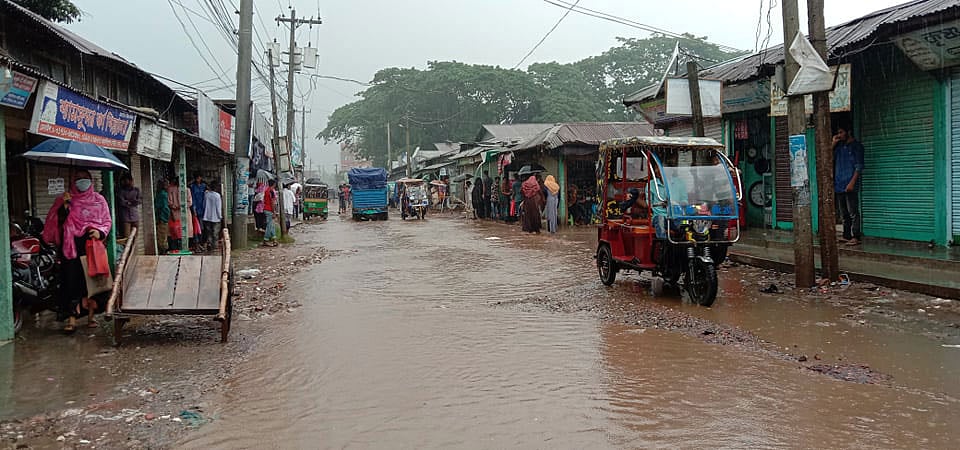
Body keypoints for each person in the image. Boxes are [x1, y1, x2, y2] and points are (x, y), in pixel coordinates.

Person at [42, 170, 112, 332]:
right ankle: (71, 319)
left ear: (91, 181)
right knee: (72, 283)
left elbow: (106, 221)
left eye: (85, 179)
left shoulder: (98, 200)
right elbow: (54, 224)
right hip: (70, 249)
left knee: (91, 283)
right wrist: (64, 207)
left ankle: (91, 317)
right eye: (78, 179)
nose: (82, 182)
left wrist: (100, 232)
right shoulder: (64, 200)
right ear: (73, 181)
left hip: (91, 247)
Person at [833, 125, 864, 246]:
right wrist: (832, 144)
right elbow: (828, 158)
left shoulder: (857, 147)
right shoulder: (839, 147)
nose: (839, 135)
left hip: (850, 184)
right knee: (844, 213)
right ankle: (846, 235)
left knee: (853, 212)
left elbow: (859, 167)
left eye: (841, 132)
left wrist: (852, 183)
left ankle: (856, 236)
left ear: (849, 132)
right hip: (839, 184)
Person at [117, 173, 141, 238]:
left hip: (135, 217)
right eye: (128, 180)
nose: (131, 182)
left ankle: (134, 248)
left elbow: (139, 200)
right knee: (127, 238)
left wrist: (129, 202)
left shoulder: (136, 190)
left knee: (135, 237)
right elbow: (122, 202)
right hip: (126, 218)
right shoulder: (121, 191)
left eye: (131, 180)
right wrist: (131, 202)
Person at [189, 173, 206, 246]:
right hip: (196, 209)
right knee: (197, 226)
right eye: (197, 178)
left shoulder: (204, 186)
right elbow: (193, 199)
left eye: (199, 178)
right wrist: (194, 209)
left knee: (203, 226)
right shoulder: (192, 187)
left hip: (204, 209)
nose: (198, 180)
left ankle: (202, 241)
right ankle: (197, 241)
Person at [154, 179, 170, 254]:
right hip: (163, 217)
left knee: (161, 235)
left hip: (160, 217)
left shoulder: (158, 194)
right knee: (163, 235)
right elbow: (164, 207)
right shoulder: (164, 194)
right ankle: (163, 250)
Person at [262, 179, 278, 246]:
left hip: (266, 209)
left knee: (271, 225)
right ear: (274, 184)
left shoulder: (266, 190)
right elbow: (272, 202)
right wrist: (274, 212)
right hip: (269, 210)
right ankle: (265, 240)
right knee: (269, 226)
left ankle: (274, 240)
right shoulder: (271, 191)